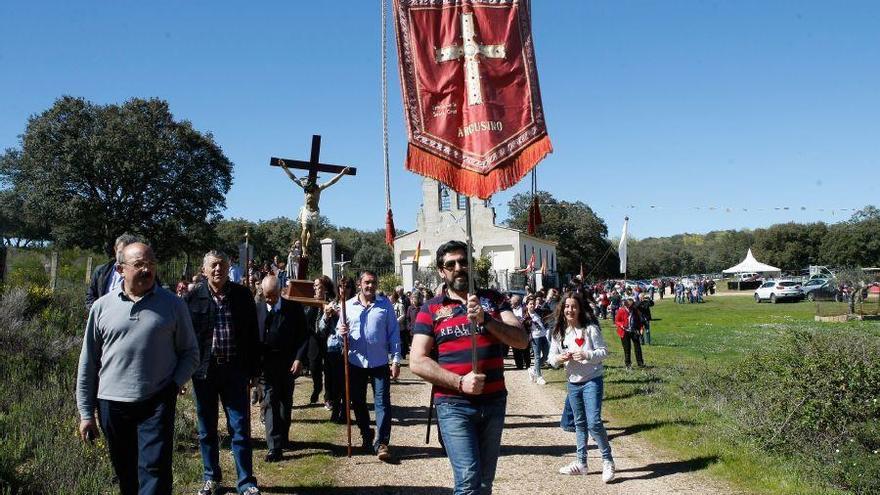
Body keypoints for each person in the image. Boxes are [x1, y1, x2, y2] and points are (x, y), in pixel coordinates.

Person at [77, 242, 199, 495]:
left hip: (156, 400)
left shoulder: (173, 305)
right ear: (121, 269)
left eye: (151, 264)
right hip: (112, 403)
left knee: (155, 471)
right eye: (139, 264)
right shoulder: (101, 307)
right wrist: (86, 413)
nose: (147, 269)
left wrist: (173, 385)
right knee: (125, 471)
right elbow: (88, 362)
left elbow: (190, 353)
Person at [409, 241, 528, 495]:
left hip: (494, 401)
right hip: (453, 404)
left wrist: (486, 320)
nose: (458, 268)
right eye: (450, 264)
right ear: (442, 271)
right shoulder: (431, 308)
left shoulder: (493, 300)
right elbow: (417, 361)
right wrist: (459, 382)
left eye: (463, 262)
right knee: (467, 480)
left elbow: (521, 340)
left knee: (485, 483)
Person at [185, 251, 262, 495]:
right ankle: (211, 478)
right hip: (204, 372)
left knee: (239, 427)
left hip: (234, 370)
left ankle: (246, 482)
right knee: (206, 428)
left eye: (222, 265)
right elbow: (185, 339)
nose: (218, 269)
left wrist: (254, 372)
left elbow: (252, 335)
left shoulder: (242, 295)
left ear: (229, 268)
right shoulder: (192, 298)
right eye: (213, 266)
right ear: (204, 270)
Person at [547, 292, 615, 481]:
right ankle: (581, 463)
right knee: (579, 424)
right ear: (562, 309)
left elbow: (603, 352)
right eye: (567, 306)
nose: (570, 310)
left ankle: (607, 460)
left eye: (574, 306)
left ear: (580, 309)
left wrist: (586, 355)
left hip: (592, 380)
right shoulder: (559, 332)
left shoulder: (590, 329)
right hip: (573, 383)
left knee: (594, 422)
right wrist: (559, 359)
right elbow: (551, 358)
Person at [336, 270, 402, 461]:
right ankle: (366, 434)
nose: (370, 286)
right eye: (366, 282)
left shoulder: (385, 305)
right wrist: (341, 332)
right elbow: (338, 335)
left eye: (373, 282)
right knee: (358, 402)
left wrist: (396, 360)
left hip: (380, 362)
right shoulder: (347, 306)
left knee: (382, 403)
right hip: (355, 362)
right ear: (359, 284)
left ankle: (382, 442)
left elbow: (394, 334)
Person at [256, 275, 308, 462]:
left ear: (280, 291)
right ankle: (274, 446)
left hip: (287, 365)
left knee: (285, 403)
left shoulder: (293, 309)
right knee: (269, 402)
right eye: (266, 296)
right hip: (266, 366)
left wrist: (298, 359)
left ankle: (283, 436)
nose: (269, 299)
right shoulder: (258, 310)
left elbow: (303, 335)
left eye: (272, 295)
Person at [86, 233, 141, 309]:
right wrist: (97, 312)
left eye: (128, 253)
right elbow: (90, 296)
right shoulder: (100, 271)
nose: (124, 257)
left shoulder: (143, 273)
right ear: (115, 249)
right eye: (121, 252)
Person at [614, 297, 645, 369]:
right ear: (626, 305)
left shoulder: (634, 310)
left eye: (632, 305)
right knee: (627, 348)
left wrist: (640, 328)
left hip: (633, 330)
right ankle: (628, 364)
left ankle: (640, 363)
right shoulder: (621, 311)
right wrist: (622, 325)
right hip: (624, 332)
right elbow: (617, 321)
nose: (631, 307)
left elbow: (638, 320)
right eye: (630, 306)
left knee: (637, 347)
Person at [525, 295, 549, 385]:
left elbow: (546, 309)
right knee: (537, 357)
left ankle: (533, 370)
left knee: (546, 355)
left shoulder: (538, 312)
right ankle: (539, 377)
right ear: (527, 305)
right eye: (530, 304)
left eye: (533, 303)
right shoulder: (526, 317)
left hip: (543, 336)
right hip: (535, 338)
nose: (532, 305)